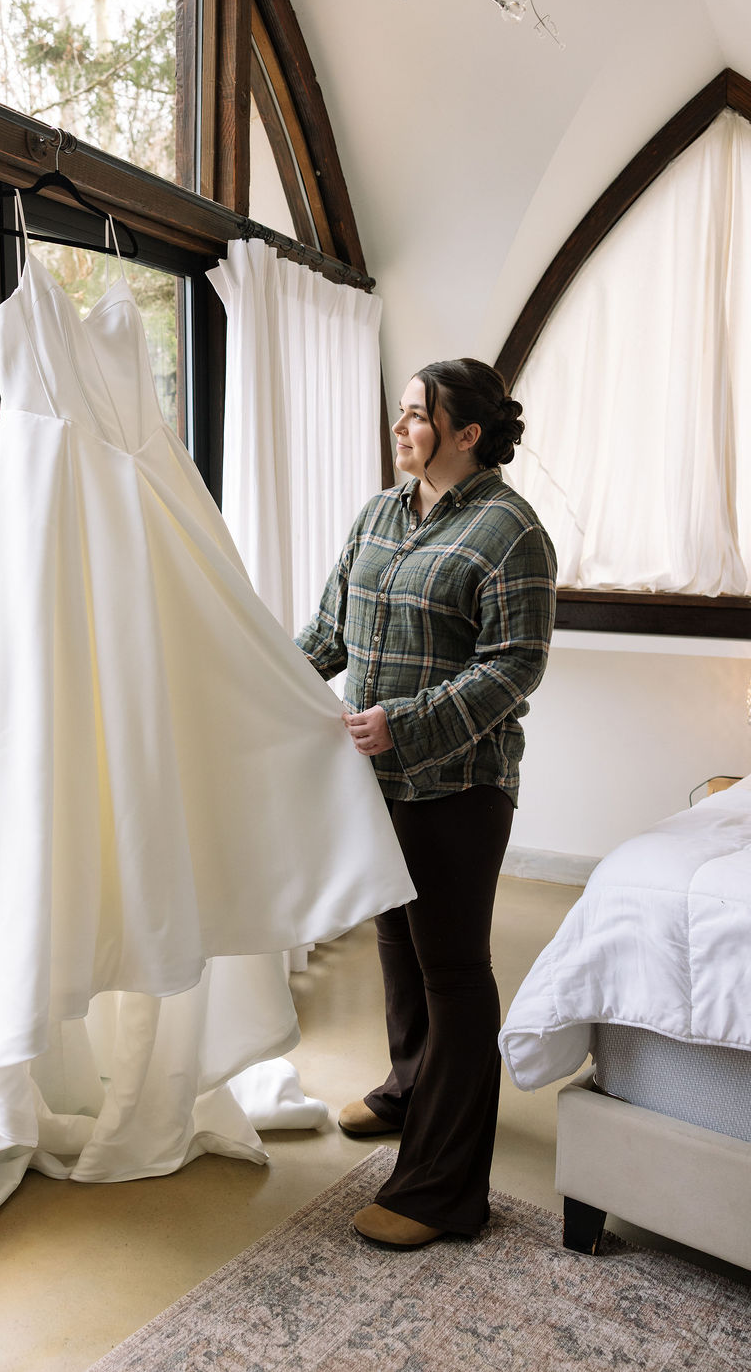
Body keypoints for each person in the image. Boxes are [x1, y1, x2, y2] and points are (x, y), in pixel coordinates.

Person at [296, 357, 557, 1250]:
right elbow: (330, 630)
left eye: (417, 415)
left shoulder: (510, 531)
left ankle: (446, 1189)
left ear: (467, 432)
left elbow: (514, 665)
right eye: (403, 413)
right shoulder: (379, 512)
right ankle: (412, 1087)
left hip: (457, 786)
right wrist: (266, 685)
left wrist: (402, 725)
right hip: (370, 783)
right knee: (395, 946)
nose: (402, 427)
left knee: (452, 971)